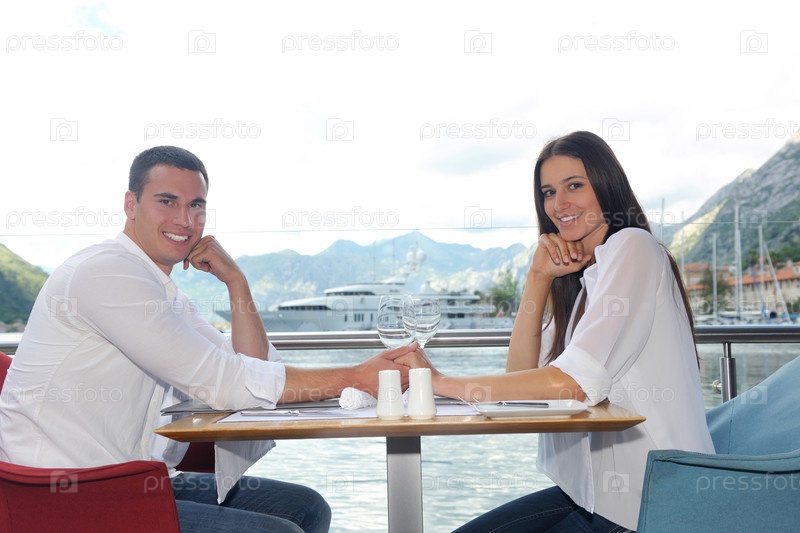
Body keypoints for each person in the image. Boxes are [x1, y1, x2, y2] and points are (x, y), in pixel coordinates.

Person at [0, 146, 416, 532]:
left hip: (132, 477)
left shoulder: (162, 293)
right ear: (130, 204)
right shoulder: (107, 274)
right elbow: (223, 382)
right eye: (167, 201)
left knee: (306, 507)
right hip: (60, 490)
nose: (185, 220)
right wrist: (356, 377)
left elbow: (251, 369)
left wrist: (236, 282)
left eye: (196, 205)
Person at [397, 131, 715, 531]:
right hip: (595, 496)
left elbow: (573, 385)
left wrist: (439, 382)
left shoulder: (633, 247)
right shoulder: (584, 286)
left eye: (574, 186)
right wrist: (538, 277)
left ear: (607, 186)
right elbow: (519, 378)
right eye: (549, 192)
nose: (558, 204)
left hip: (655, 503)